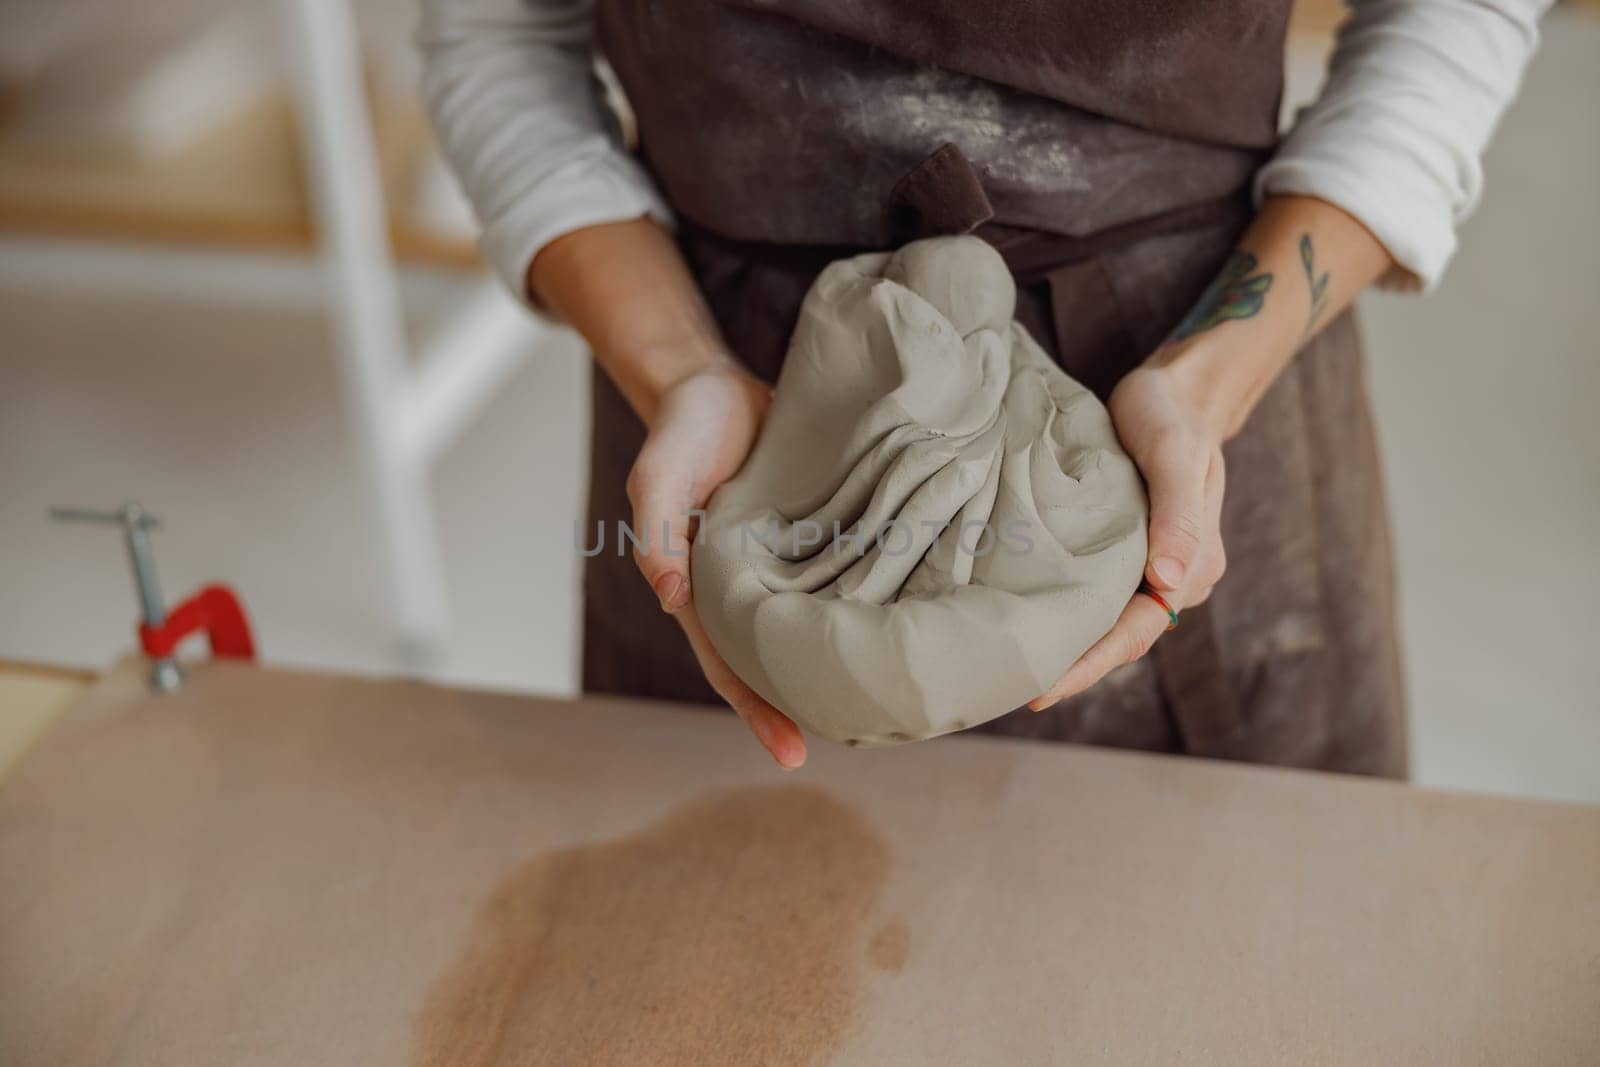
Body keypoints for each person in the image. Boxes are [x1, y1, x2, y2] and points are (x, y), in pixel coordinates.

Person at [420, 0, 1549, 774]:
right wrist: (678, 373)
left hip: (1195, 372)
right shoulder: (704, 432)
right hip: (706, 395)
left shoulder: (1197, 391)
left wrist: (1207, 379)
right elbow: (495, 34)